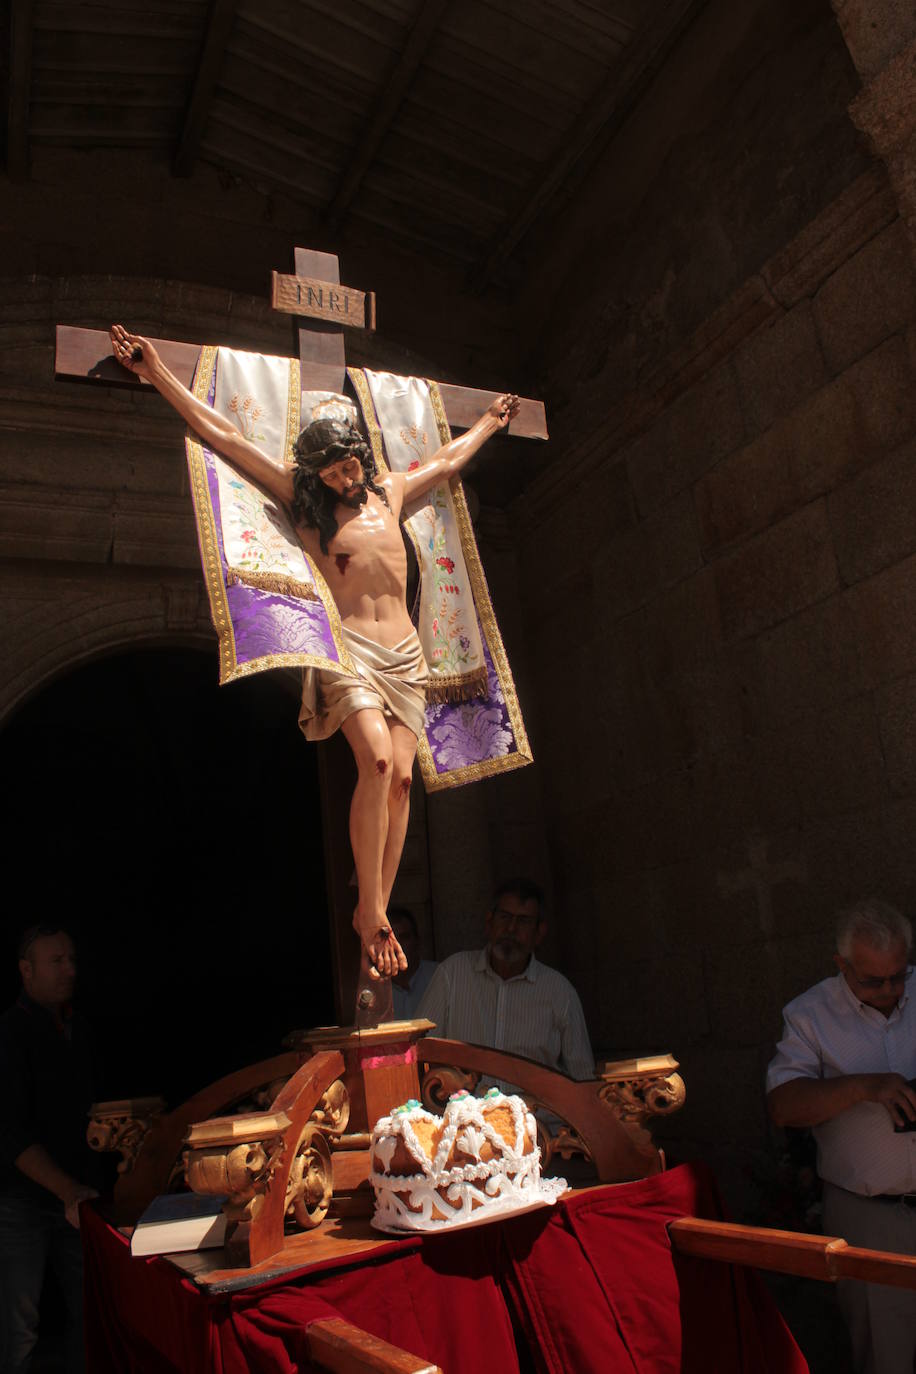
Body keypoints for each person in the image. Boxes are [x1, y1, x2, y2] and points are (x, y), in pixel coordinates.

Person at [109, 323, 519, 982]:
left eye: (348, 463)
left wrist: (491, 426)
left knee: (406, 779)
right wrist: (159, 373)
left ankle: (378, 907)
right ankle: (370, 909)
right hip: (351, 651)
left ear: (360, 454)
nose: (343, 476)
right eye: (330, 471)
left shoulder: (389, 494)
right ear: (316, 475)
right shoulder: (310, 516)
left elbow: (444, 463)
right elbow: (230, 438)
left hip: (407, 656)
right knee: (377, 762)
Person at [766, 898, 916, 1374]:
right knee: (886, 1355)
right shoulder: (809, 1015)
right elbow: (784, 1107)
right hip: (872, 1214)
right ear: (842, 965)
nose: (891, 990)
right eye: (874, 980)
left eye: (900, 974)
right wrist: (864, 1087)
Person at [0, 926, 100, 1373]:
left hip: (74, 1199)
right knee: (18, 1329)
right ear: (26, 970)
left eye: (72, 959)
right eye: (57, 961)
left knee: (90, 1315)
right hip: (24, 1202)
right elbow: (9, 1134)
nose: (70, 970)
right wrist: (67, 1190)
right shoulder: (9, 1034)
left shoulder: (76, 1028)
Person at [416, 878, 595, 1080]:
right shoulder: (453, 973)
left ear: (539, 932)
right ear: (489, 923)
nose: (511, 928)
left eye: (523, 921)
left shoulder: (560, 992)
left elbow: (583, 1077)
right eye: (504, 917)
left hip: (534, 1111)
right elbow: (419, 1050)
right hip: (463, 1109)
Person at [390, 908, 438, 1020]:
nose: (397, 945)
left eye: (403, 937)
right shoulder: (375, 990)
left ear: (417, 941)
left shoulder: (437, 977)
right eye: (390, 939)